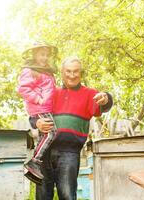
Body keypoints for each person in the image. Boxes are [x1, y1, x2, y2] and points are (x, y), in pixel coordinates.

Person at [31, 56, 113, 200]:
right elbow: (34, 114)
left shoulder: (89, 94)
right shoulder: (51, 92)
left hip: (69, 152)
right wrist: (37, 123)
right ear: (62, 73)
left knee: (67, 195)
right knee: (42, 196)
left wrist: (106, 98)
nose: (72, 75)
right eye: (68, 71)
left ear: (81, 73)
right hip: (44, 151)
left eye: (76, 71)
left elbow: (104, 104)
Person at [17, 41, 58, 185]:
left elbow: (50, 90)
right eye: (42, 54)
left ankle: (34, 170)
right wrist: (38, 99)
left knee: (45, 135)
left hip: (46, 108)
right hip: (40, 108)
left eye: (47, 55)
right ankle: (34, 162)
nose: (45, 57)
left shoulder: (46, 72)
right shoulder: (30, 70)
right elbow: (23, 89)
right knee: (51, 133)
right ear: (35, 55)